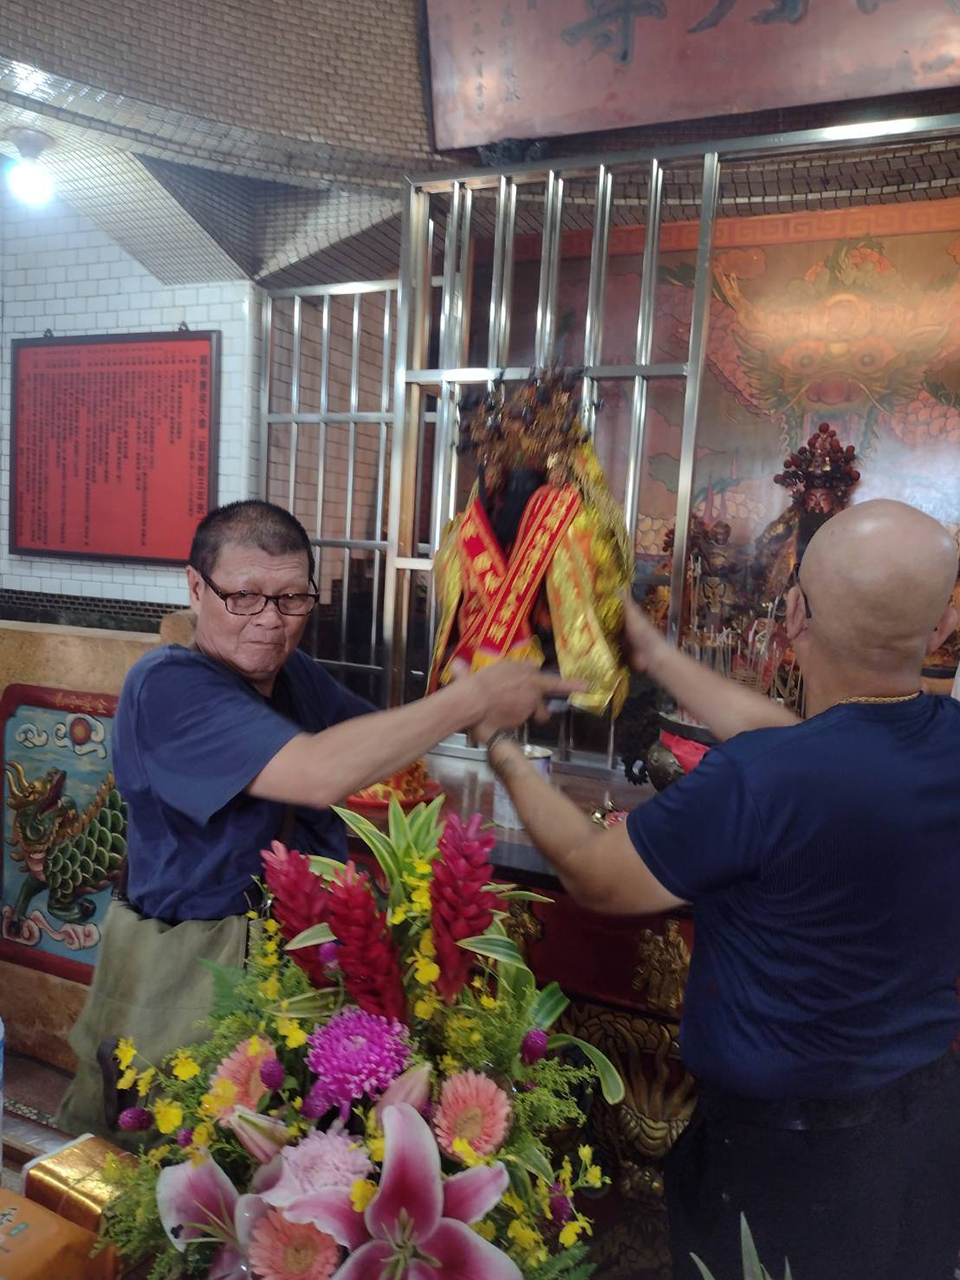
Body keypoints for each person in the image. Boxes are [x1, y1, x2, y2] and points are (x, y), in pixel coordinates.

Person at [469, 499, 960, 1280]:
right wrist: (652, 653)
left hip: (786, 1161)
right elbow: (793, 739)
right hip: (924, 1130)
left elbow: (597, 875)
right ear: (941, 628)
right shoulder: (936, 740)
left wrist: (500, 745)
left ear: (791, 616)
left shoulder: (763, 781)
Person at [57, 499, 577, 1142]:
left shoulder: (289, 674)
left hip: (298, 965)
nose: (270, 622)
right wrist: (469, 698)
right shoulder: (166, 685)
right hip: (193, 972)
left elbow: (374, 746)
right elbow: (317, 772)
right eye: (244, 597)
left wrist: (484, 712)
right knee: (181, 1154)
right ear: (196, 587)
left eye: (292, 600)